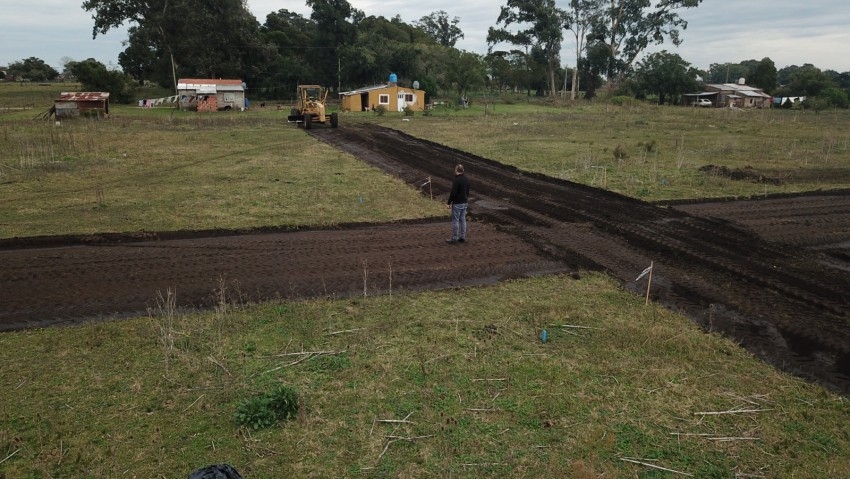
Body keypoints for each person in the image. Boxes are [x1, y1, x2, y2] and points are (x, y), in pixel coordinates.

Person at [446, 164, 470, 244]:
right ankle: (462, 237)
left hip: (457, 203)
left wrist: (449, 202)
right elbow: (467, 191)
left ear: (457, 170)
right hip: (464, 202)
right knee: (463, 220)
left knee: (455, 220)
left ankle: (455, 238)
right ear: (463, 170)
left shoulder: (457, 180)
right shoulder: (466, 179)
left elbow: (453, 192)